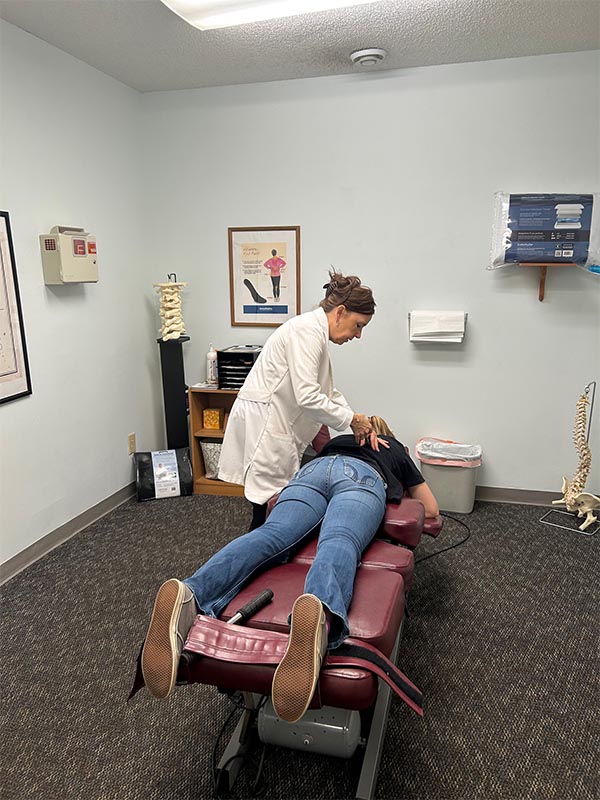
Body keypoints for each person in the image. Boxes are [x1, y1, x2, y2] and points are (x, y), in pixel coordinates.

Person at [141, 417, 438, 723]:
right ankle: (319, 614)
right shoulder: (395, 450)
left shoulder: (339, 441)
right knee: (340, 539)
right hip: (361, 478)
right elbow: (430, 509)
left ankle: (191, 594)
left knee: (270, 535)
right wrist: (400, 486)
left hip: (312, 472)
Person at [218, 270, 377, 531]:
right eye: (358, 325)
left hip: (276, 420)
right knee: (268, 503)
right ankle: (259, 550)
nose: (358, 335)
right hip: (268, 423)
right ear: (340, 312)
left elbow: (327, 392)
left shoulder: (314, 332)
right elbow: (308, 396)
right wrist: (352, 419)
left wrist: (356, 420)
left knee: (272, 503)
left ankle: (266, 546)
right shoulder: (306, 331)